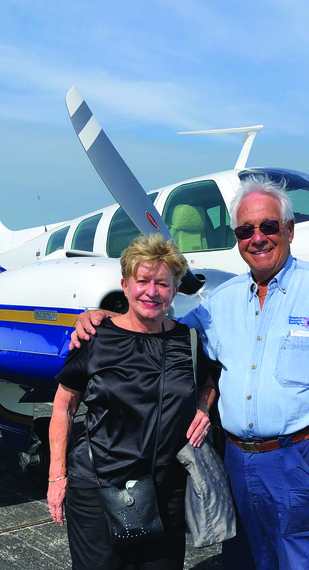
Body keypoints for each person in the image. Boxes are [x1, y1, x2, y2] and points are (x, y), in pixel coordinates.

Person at [71, 177, 309, 570]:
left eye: (269, 226)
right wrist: (107, 318)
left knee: (305, 559)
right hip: (236, 459)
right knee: (243, 559)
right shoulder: (221, 301)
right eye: (245, 230)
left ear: (288, 230)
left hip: (300, 456)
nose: (258, 238)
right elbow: (158, 321)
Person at [48, 233, 216, 570]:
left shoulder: (189, 341)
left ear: (175, 289)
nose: (152, 292)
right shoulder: (95, 337)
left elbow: (209, 381)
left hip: (166, 487)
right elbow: (63, 407)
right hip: (98, 486)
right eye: (142, 281)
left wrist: (203, 407)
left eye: (163, 284)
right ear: (125, 285)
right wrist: (56, 476)